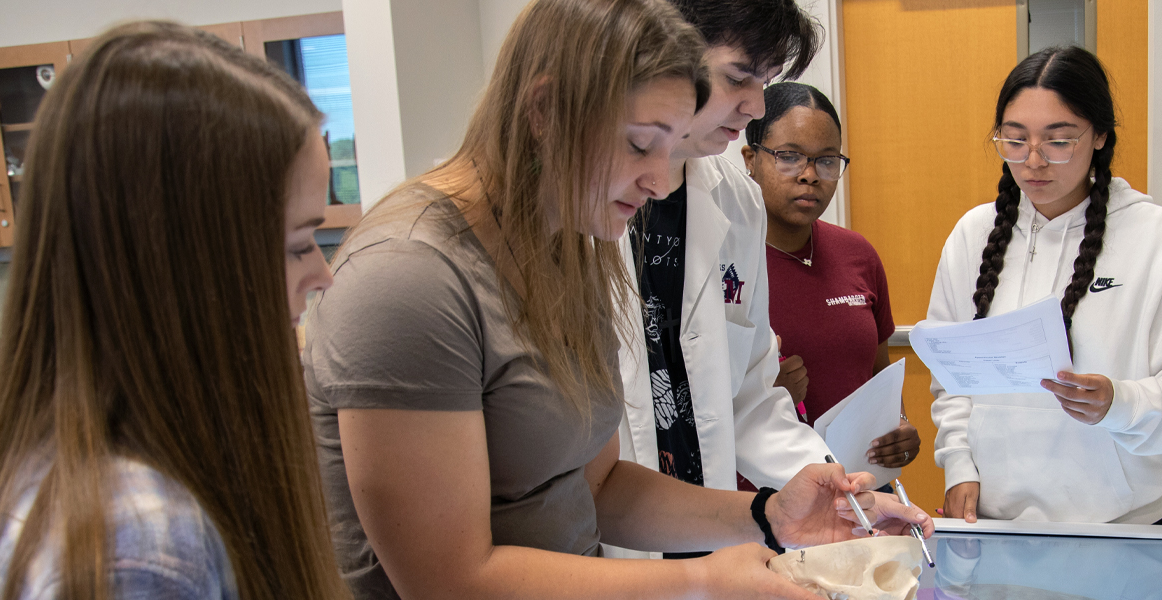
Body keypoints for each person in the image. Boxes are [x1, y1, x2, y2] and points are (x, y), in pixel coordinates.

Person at [300, 0, 933, 598]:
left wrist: (771, 514)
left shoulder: (573, 244)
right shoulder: (411, 278)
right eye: (640, 143)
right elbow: (448, 581)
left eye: (671, 144)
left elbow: (596, 486)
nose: (661, 179)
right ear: (545, 110)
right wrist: (699, 581)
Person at [0, 21, 347, 600]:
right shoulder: (140, 549)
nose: (322, 274)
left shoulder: (77, 482)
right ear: (190, 270)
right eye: (297, 247)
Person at [927, 46, 1162, 525]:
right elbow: (950, 378)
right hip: (997, 525)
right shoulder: (972, 236)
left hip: (1126, 528)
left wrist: (1119, 402)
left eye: (1059, 141)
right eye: (1014, 139)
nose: (1033, 161)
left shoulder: (1159, 239)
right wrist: (959, 464)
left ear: (1101, 136)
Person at [613, 0, 831, 525]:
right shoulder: (583, 201)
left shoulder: (738, 201)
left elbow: (751, 396)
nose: (757, 108)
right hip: (602, 541)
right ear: (666, 51)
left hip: (703, 530)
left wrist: (831, 483)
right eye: (739, 78)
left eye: (767, 82)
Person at [740, 82, 919, 471]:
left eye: (827, 160)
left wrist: (900, 428)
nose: (810, 175)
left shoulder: (858, 255)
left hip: (862, 493)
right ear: (750, 159)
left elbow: (878, 373)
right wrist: (759, 399)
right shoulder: (727, 267)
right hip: (766, 500)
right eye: (789, 156)